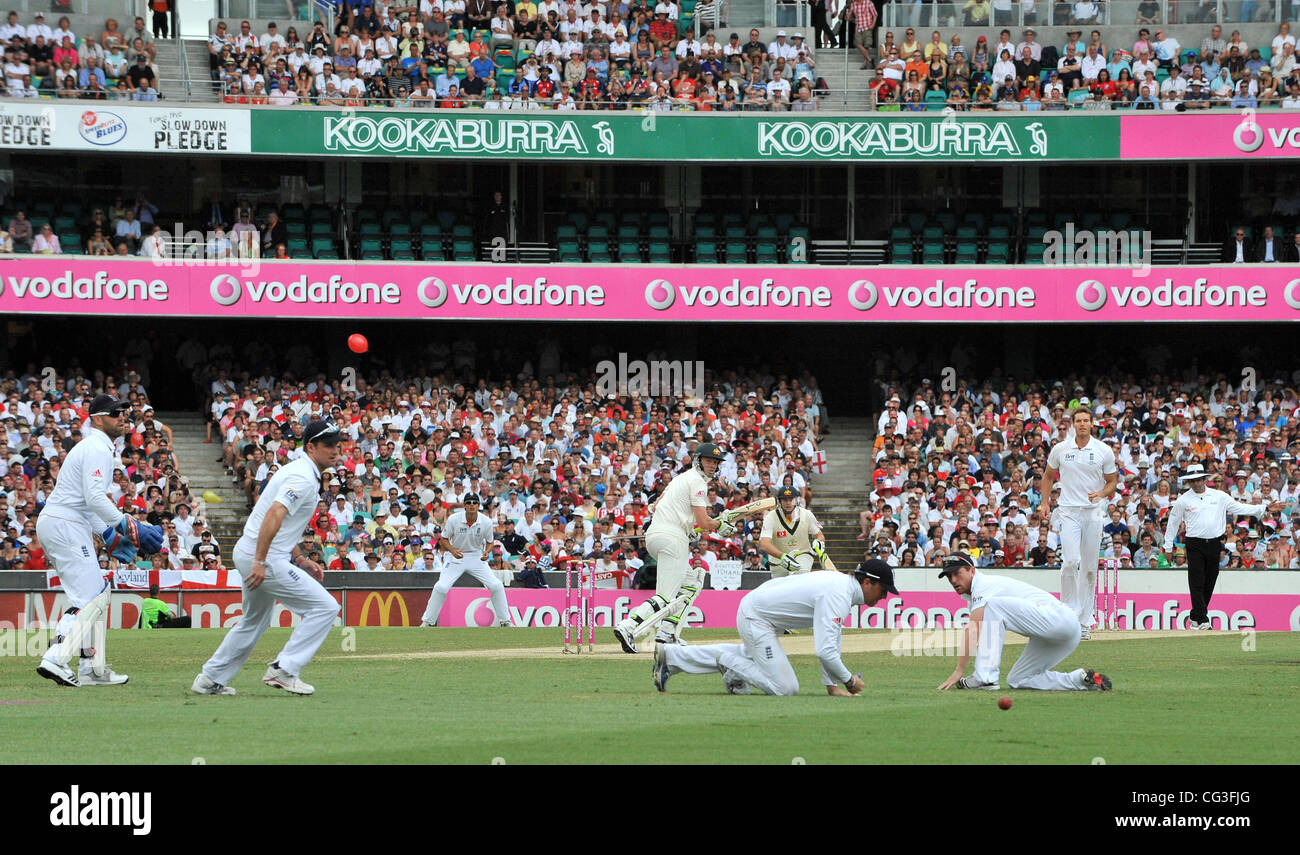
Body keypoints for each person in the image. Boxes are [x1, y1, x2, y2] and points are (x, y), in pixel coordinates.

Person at [192, 420, 344, 696]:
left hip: (252, 552)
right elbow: (275, 514)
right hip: (262, 557)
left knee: (253, 622)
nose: (335, 450)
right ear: (311, 447)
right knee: (325, 608)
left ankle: (210, 678)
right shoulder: (302, 476)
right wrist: (260, 562)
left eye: (337, 444)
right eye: (328, 445)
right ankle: (284, 670)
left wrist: (299, 559)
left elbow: (284, 524)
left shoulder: (300, 471)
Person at [36, 395, 164, 687]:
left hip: (67, 522)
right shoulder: (96, 447)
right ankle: (56, 658)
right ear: (96, 418)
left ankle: (92, 669)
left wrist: (109, 536)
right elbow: (94, 499)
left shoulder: (99, 447)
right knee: (91, 598)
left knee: (98, 594)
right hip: (65, 524)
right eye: (117, 412)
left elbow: (88, 504)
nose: (124, 416)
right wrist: (128, 526)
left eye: (126, 412)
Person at [653, 559, 895, 696]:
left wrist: (832, 686)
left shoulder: (841, 587)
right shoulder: (838, 594)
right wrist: (848, 680)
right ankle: (727, 665)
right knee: (785, 688)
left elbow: (831, 642)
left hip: (760, 613)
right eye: (883, 590)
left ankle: (671, 656)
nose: (883, 598)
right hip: (757, 618)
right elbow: (824, 651)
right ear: (867, 582)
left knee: (748, 656)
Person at [612, 442, 732, 652]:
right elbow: (705, 522)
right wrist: (720, 525)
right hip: (671, 538)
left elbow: (657, 506)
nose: (712, 465)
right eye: (708, 461)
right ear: (698, 461)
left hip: (655, 535)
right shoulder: (698, 482)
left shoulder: (679, 479)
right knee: (666, 596)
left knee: (694, 580)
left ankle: (667, 633)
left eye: (715, 462)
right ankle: (628, 626)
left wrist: (689, 530)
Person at [936, 553, 1112, 691]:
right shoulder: (975, 596)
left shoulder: (983, 584)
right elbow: (982, 631)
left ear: (972, 570)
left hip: (1061, 619)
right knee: (1018, 680)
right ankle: (1080, 680)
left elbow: (973, 629)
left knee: (993, 606)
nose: (953, 580)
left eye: (957, 574)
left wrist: (959, 671)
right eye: (949, 576)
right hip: (1062, 633)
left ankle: (985, 678)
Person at [1162, 464, 1286, 630]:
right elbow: (1173, 523)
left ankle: (1195, 615)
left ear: (1204, 479)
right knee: (1197, 580)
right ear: (1189, 482)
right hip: (1194, 543)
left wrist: (1265, 508)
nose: (1196, 482)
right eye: (1193, 480)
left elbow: (1240, 507)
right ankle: (1203, 619)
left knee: (1211, 579)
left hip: (1214, 543)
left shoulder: (1219, 496)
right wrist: (1168, 546)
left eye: (1199, 479)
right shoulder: (1183, 500)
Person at [1038, 405, 1117, 639]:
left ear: (1092, 424)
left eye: (1086, 420)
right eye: (1078, 420)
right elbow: (1048, 476)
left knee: (1090, 568)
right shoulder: (1061, 449)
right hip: (1069, 509)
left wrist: (1101, 494)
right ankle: (1069, 615)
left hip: (1093, 511)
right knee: (1071, 561)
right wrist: (1044, 503)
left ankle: (1084, 621)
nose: (1082, 424)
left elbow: (1112, 481)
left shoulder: (1103, 450)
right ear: (1073, 424)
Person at [418, 492, 513, 626]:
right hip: (455, 556)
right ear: (464, 505)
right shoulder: (454, 519)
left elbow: (490, 542)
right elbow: (444, 539)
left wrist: (486, 552)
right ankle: (427, 622)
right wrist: (453, 550)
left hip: (476, 556)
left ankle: (505, 621)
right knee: (441, 587)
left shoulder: (485, 521)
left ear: (478, 505)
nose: (472, 505)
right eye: (468, 503)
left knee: (496, 586)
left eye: (474, 502)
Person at [759, 485, 827, 576]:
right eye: (785, 500)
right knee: (780, 588)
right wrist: (783, 556)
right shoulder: (771, 517)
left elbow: (819, 535)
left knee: (799, 573)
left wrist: (819, 542)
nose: (788, 503)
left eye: (791, 499)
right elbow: (764, 544)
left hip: (802, 554)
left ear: (796, 500)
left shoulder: (807, 514)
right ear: (779, 501)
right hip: (779, 560)